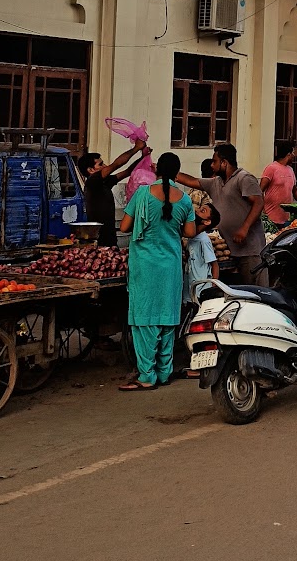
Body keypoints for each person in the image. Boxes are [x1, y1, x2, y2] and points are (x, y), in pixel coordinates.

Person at [119, 152, 195, 390]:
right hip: (170, 266)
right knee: (167, 318)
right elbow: (190, 232)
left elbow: (124, 226)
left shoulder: (142, 194)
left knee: (144, 319)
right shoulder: (184, 200)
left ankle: (147, 376)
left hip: (145, 266)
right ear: (177, 172)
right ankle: (164, 372)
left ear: (157, 170)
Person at [177, 143, 267, 285]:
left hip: (249, 251)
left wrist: (244, 229)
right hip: (230, 252)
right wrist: (166, 171)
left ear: (224, 163)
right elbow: (191, 181)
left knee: (256, 295)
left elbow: (259, 202)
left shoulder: (244, 179)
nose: (212, 166)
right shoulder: (216, 183)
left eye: (214, 161)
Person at [78, 138, 146, 246]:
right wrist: (136, 148)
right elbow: (116, 165)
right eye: (100, 164)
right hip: (100, 237)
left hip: (109, 235)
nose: (105, 166)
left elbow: (128, 172)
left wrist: (142, 158)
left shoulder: (104, 182)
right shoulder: (92, 182)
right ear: (90, 170)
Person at [260, 139, 297, 226]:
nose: (294, 156)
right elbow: (260, 190)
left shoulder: (290, 170)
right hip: (271, 218)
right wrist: (261, 208)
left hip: (286, 219)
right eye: (293, 153)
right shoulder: (271, 168)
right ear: (288, 154)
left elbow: (294, 190)